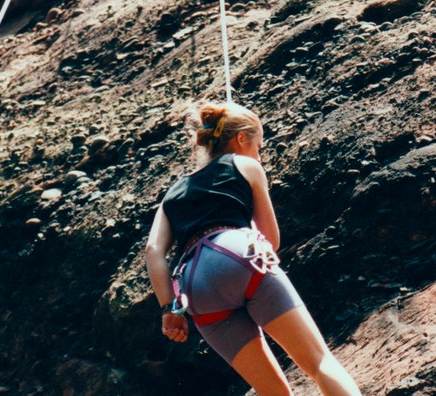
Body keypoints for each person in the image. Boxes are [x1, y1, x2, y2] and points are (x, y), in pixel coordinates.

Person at [145, 101, 361, 395]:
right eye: (258, 145)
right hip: (236, 253)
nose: (259, 154)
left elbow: (153, 250)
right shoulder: (246, 165)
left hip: (196, 286)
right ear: (241, 139)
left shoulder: (172, 193)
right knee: (319, 362)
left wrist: (169, 310)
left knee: (273, 392)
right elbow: (271, 240)